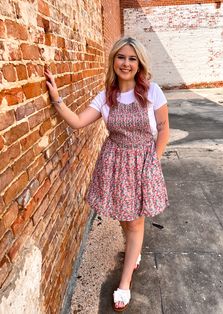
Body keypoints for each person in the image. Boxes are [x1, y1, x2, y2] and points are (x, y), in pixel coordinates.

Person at [45, 36, 169, 312]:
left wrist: (153, 163)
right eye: (121, 57)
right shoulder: (106, 96)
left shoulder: (153, 92)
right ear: (113, 60)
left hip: (143, 162)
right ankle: (133, 251)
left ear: (139, 64)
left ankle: (124, 282)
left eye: (132, 58)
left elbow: (163, 130)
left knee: (136, 222)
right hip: (114, 162)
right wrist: (57, 100)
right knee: (124, 218)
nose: (126, 63)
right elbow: (78, 122)